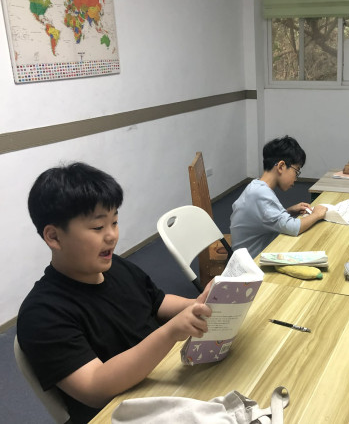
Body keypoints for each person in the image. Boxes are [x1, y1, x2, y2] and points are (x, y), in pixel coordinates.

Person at [18, 162, 213, 424]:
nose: (112, 236)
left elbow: (157, 302)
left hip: (161, 380)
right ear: (54, 237)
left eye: (115, 222)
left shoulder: (114, 266)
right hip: (121, 411)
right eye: (98, 227)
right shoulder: (42, 313)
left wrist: (197, 304)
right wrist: (170, 332)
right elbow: (95, 388)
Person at [230, 135, 327, 258]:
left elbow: (265, 218)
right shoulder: (261, 194)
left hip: (251, 254)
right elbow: (294, 228)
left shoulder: (255, 187)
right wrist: (317, 214)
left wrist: (289, 211)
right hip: (252, 262)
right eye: (296, 171)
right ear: (281, 166)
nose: (296, 179)